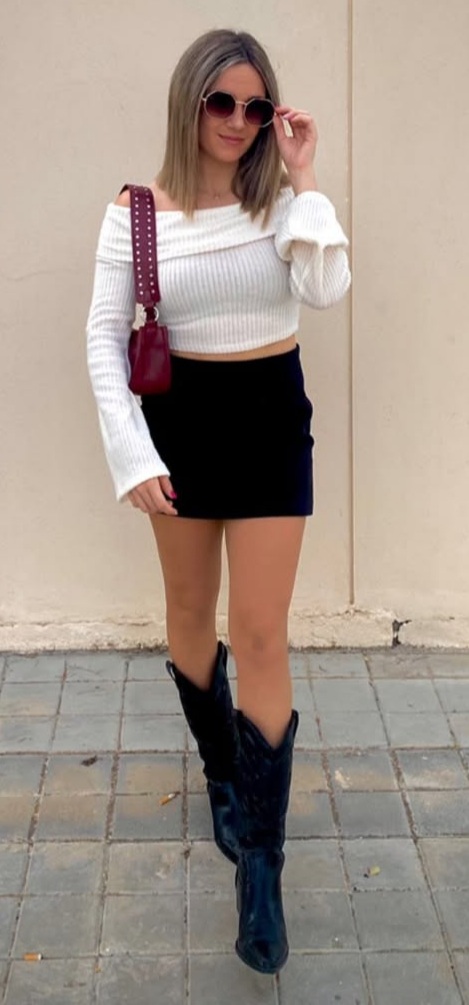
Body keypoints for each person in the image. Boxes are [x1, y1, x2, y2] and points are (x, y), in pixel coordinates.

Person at [86, 28, 350, 974]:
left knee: (264, 631)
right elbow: (102, 338)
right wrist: (130, 455)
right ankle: (223, 775)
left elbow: (326, 287)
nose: (238, 121)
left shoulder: (280, 204)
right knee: (191, 615)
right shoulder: (136, 214)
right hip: (181, 425)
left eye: (254, 105)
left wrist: (306, 175)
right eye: (221, 103)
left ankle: (262, 867)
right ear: (189, 102)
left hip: (271, 417)